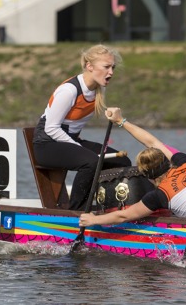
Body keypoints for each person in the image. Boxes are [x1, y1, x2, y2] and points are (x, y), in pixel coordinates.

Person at [79, 107, 186, 227]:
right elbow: (152, 142)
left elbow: (123, 216)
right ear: (167, 162)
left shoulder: (160, 195)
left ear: (147, 176)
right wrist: (120, 120)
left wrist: (93, 220)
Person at [33, 45, 131, 211]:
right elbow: (51, 128)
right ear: (89, 66)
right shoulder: (69, 90)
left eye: (112, 67)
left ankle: (109, 207)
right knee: (91, 162)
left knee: (122, 161)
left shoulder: (99, 89)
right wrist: (78, 148)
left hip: (67, 141)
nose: (111, 72)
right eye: (106, 67)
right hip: (46, 144)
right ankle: (77, 211)